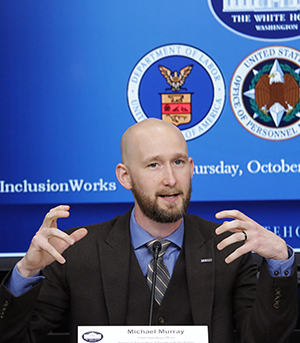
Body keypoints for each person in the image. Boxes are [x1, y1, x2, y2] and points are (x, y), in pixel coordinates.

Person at [0, 118, 297, 343]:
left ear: (191, 167)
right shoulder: (77, 250)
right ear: (125, 176)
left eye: (178, 162)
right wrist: (26, 271)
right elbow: (15, 337)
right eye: (154, 165)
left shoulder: (229, 248)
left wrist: (280, 261)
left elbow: (264, 338)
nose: (170, 179)